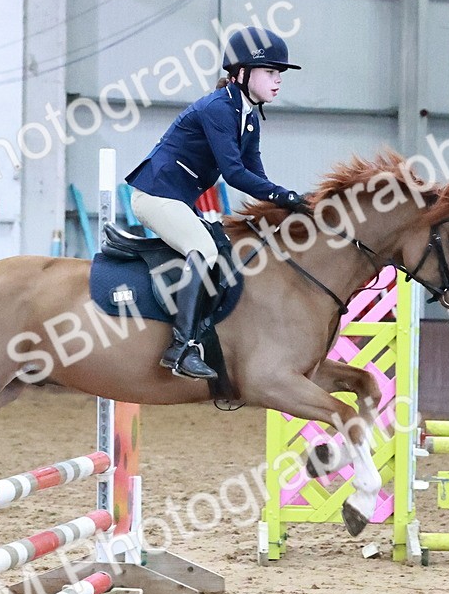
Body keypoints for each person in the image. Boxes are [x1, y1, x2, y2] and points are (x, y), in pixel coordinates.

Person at [124, 26, 313, 380]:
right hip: (156, 194)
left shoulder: (250, 118)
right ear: (241, 73)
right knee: (203, 249)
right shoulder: (218, 109)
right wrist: (283, 196)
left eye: (279, 74)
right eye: (270, 72)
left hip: (178, 199)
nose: (278, 81)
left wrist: (290, 204)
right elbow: (234, 173)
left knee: (224, 251)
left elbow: (257, 176)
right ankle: (181, 348)